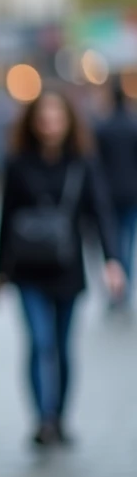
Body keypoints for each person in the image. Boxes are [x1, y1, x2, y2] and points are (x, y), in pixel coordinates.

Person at [0, 91, 124, 447]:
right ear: (33, 122)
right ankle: (42, 419)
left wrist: (112, 261)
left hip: (68, 267)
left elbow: (100, 212)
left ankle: (61, 417)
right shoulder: (18, 162)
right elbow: (4, 218)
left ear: (68, 120)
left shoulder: (82, 161)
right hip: (27, 269)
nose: (49, 122)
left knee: (64, 347)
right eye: (43, 116)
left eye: (55, 116)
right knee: (39, 342)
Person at [93, 78, 137, 314]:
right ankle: (122, 288)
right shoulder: (133, 126)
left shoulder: (103, 127)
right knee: (127, 243)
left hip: (109, 194)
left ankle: (116, 289)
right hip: (131, 194)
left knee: (113, 242)